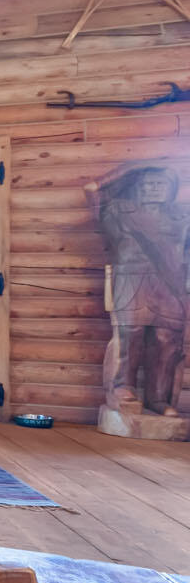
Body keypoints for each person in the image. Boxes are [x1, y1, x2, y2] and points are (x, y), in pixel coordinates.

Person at [98, 166, 189, 416]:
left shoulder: (182, 217)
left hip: (169, 283)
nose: (154, 189)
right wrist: (132, 169)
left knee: (166, 340)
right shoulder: (119, 212)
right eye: (148, 184)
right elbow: (92, 191)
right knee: (130, 334)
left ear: (170, 189)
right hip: (131, 279)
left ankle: (158, 398)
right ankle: (122, 387)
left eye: (160, 184)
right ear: (137, 186)